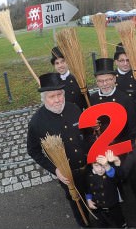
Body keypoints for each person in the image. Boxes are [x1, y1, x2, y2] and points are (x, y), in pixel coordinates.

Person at [27, 73, 91, 227]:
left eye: (59, 94)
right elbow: (33, 150)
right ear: (43, 98)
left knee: (97, 198)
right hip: (68, 175)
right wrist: (55, 170)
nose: (57, 100)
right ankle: (84, 224)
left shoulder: (74, 108)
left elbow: (86, 134)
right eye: (51, 96)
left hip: (89, 167)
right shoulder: (37, 122)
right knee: (78, 205)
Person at [90, 58, 136, 143]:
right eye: (100, 81)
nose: (105, 84)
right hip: (100, 145)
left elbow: (132, 128)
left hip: (122, 145)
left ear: (114, 79)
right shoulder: (93, 98)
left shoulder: (125, 99)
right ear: (96, 82)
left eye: (108, 79)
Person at [86, 150, 128, 228]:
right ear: (92, 165)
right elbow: (88, 188)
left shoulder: (110, 172)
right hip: (98, 207)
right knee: (102, 224)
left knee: (119, 221)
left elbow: (117, 176)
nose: (100, 169)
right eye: (96, 165)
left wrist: (107, 166)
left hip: (113, 205)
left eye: (102, 165)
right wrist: (89, 199)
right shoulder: (89, 175)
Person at [50, 46, 88, 110]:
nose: (60, 66)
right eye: (57, 63)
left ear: (68, 62)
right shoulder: (53, 83)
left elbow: (86, 102)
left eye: (62, 62)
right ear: (54, 66)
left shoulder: (78, 78)